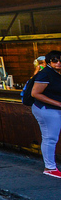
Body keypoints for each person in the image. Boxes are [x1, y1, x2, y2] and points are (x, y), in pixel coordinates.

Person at [30, 50, 61, 178]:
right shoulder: (45, 74)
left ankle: (50, 166)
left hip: (53, 109)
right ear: (48, 62)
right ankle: (50, 167)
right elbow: (35, 93)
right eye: (55, 60)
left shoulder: (55, 73)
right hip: (47, 109)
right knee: (50, 138)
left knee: (51, 137)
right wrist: (58, 104)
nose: (58, 63)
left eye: (60, 60)